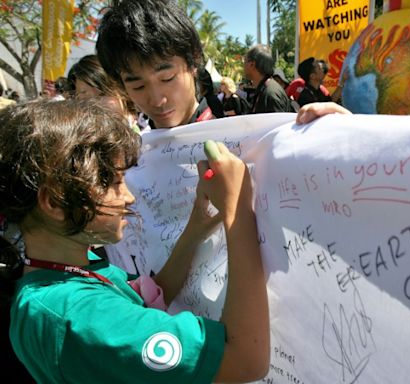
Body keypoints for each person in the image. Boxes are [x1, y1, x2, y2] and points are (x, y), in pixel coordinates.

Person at [1, 99, 269, 383]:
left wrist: (196, 228)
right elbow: (244, 360)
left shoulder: (64, 269)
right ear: (55, 201)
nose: (128, 196)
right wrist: (237, 210)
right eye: (113, 183)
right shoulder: (83, 317)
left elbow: (146, 298)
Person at [96, 0, 215, 129]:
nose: (157, 101)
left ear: (194, 59)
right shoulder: (135, 146)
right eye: (138, 86)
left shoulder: (233, 142)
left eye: (167, 78)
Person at [67, 54, 142, 133]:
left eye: (102, 94)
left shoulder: (147, 138)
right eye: (85, 98)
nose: (94, 104)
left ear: (123, 91)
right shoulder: (73, 140)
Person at [243, 44, 293, 113]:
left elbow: (276, 123)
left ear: (252, 64)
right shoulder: (265, 89)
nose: (243, 66)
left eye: (244, 61)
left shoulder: (270, 94)